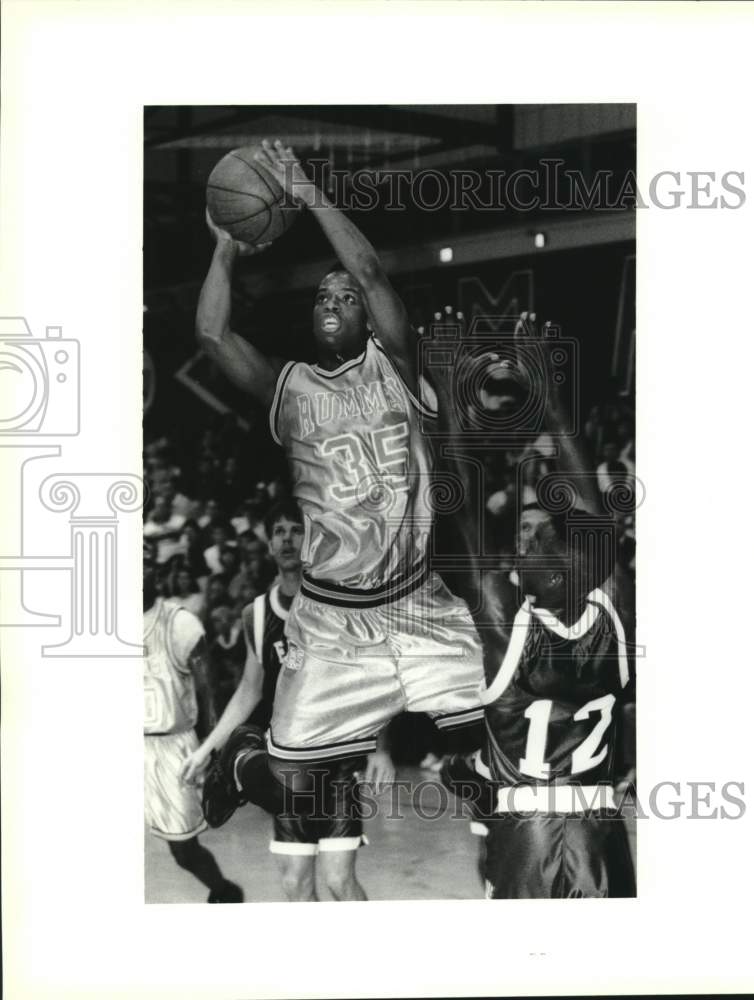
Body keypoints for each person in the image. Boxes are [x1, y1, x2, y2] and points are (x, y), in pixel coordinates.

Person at [194, 139, 484, 784]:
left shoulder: (396, 365)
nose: (332, 299)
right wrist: (224, 247)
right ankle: (244, 761)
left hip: (413, 598)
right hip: (329, 612)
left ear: (369, 319)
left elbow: (373, 273)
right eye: (323, 295)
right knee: (289, 778)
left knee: (487, 728)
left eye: (345, 297)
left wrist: (305, 190)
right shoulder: (289, 386)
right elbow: (213, 336)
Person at [444, 314, 636, 899]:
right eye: (527, 536)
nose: (530, 544)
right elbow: (590, 508)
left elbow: (463, 495)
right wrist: (549, 397)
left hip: (530, 829)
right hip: (598, 830)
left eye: (546, 540)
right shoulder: (614, 612)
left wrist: (450, 393)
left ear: (573, 568)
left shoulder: (507, 621)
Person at [182, 501, 394, 901]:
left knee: (338, 880)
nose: (286, 539)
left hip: (336, 762)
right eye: (278, 531)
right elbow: (248, 690)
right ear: (268, 545)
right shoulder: (256, 614)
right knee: (295, 883)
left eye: (296, 530)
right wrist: (206, 750)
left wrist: (381, 749)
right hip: (288, 763)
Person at [143, 539, 243, 903]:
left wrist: (213, 749)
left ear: (159, 571)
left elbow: (207, 692)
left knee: (183, 850)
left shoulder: (179, 623)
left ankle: (224, 891)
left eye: (145, 562)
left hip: (168, 745)